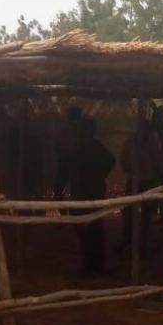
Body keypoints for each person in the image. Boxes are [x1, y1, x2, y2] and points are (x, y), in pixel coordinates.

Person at [54, 109, 115, 276]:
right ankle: (94, 265)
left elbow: (63, 173)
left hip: (87, 192)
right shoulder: (81, 148)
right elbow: (63, 172)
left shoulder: (84, 148)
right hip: (86, 192)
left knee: (90, 229)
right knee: (88, 229)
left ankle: (92, 266)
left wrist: (96, 175)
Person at [119, 114, 163, 257]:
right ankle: (128, 240)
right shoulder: (130, 143)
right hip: (135, 180)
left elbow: (156, 160)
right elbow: (123, 159)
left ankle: (141, 244)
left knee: (145, 214)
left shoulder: (152, 143)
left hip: (147, 180)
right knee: (129, 212)